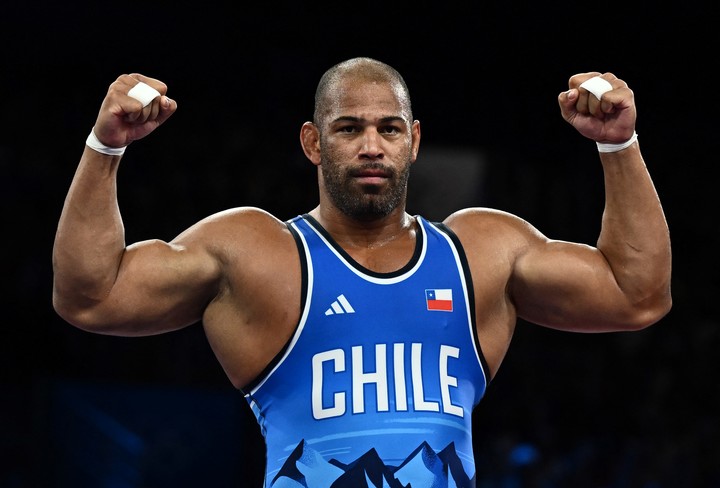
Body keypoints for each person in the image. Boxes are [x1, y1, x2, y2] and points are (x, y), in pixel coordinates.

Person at [52, 57, 672, 487]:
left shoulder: (479, 252)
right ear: (313, 143)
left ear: (415, 141)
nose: (371, 146)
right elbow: (90, 296)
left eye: (388, 129)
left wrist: (619, 144)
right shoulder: (256, 251)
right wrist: (106, 149)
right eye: (349, 129)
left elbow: (636, 295)